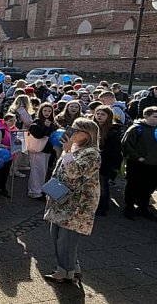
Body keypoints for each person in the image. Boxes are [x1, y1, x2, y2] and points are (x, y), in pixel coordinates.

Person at [42, 118, 101, 284]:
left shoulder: (92, 153)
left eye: (76, 131)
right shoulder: (75, 148)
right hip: (62, 199)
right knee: (57, 236)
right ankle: (73, 268)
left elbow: (74, 172)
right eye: (71, 129)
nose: (71, 133)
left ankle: (65, 272)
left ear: (87, 135)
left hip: (77, 204)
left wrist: (66, 152)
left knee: (66, 240)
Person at [122, 106, 157, 220]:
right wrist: (138, 157)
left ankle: (143, 207)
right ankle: (129, 207)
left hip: (155, 163)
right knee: (133, 185)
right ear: (146, 116)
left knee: (149, 186)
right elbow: (126, 145)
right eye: (155, 117)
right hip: (138, 164)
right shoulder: (136, 129)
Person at [91, 106, 123, 216]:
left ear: (108, 116)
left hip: (104, 163)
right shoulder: (92, 127)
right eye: (98, 113)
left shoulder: (112, 131)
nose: (99, 116)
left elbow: (115, 150)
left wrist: (114, 166)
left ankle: (102, 207)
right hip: (91, 160)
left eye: (103, 114)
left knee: (102, 185)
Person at [28, 103, 58, 201]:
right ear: (41, 111)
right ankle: (35, 192)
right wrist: (45, 127)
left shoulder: (52, 122)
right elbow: (38, 135)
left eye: (49, 111)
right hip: (37, 150)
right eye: (45, 111)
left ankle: (39, 190)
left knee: (42, 171)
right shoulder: (37, 122)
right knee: (37, 171)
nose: (47, 113)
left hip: (47, 150)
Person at [0, 114, 18, 198]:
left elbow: (18, 143)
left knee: (6, 172)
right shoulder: (1, 131)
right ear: (5, 121)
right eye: (10, 120)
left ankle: (3, 187)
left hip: (10, 155)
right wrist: (7, 147)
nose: (12, 122)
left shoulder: (16, 131)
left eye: (14, 120)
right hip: (1, 155)